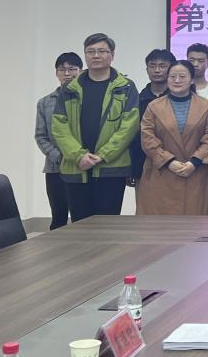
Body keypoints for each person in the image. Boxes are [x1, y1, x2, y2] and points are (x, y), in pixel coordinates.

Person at [52, 33, 140, 222]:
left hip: (111, 168)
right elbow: (59, 126)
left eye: (102, 51)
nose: (96, 55)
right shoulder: (70, 88)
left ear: (112, 55)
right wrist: (79, 155)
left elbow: (129, 125)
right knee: (80, 225)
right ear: (85, 55)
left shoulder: (126, 87)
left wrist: (103, 155)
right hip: (76, 167)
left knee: (108, 225)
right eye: (90, 51)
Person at [137, 60, 208, 215]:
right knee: (160, 224)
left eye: (182, 76)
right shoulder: (154, 106)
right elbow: (147, 138)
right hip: (161, 173)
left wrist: (194, 162)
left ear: (192, 79)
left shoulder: (205, 105)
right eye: (172, 76)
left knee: (196, 223)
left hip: (196, 173)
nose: (176, 80)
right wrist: (168, 161)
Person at [34, 52, 82, 229]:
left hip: (81, 167)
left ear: (81, 71)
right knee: (58, 216)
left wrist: (77, 156)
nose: (67, 74)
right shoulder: (45, 102)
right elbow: (41, 135)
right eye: (62, 69)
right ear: (56, 73)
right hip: (55, 168)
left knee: (81, 217)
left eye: (72, 69)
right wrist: (59, 157)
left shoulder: (86, 99)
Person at [129, 49, 175, 192]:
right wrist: (131, 169)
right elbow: (132, 135)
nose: (157, 70)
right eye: (152, 66)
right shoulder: (137, 99)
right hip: (142, 166)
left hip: (175, 164)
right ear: (147, 69)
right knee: (145, 205)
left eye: (162, 66)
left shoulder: (180, 99)